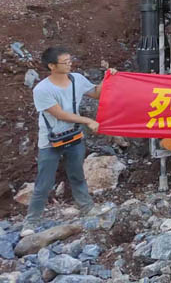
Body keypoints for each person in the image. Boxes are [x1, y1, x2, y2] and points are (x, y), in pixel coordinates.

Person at [24, 47, 115, 230]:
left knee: (77, 175)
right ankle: (31, 221)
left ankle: (86, 208)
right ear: (51, 66)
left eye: (69, 60)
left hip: (74, 137)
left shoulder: (77, 79)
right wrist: (88, 120)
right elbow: (59, 114)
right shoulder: (42, 89)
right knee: (44, 182)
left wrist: (109, 79)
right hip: (51, 142)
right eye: (65, 62)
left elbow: (97, 93)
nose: (69, 64)